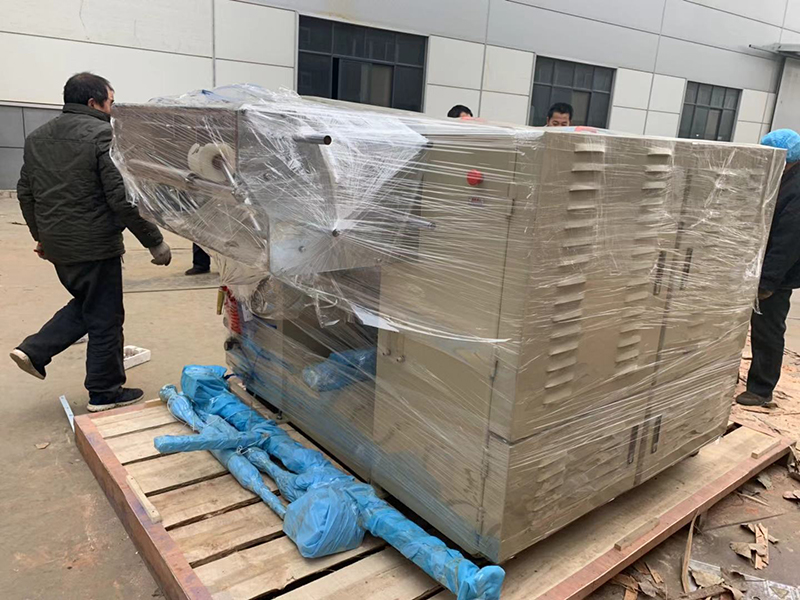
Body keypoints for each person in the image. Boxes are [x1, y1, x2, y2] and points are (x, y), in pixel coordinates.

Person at [11, 72, 172, 412]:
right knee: (105, 319)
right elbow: (121, 198)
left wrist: (41, 236)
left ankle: (34, 350)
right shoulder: (103, 135)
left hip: (58, 246)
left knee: (90, 305)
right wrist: (154, 241)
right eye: (111, 101)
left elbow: (26, 192)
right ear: (93, 102)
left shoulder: (37, 137)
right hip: (95, 245)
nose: (113, 108)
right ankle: (104, 393)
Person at [736, 129, 800, 407]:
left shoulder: (796, 189)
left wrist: (768, 282)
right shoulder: (783, 178)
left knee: (767, 330)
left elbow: (789, 241)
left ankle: (761, 390)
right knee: (743, 325)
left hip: (777, 275)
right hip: (759, 267)